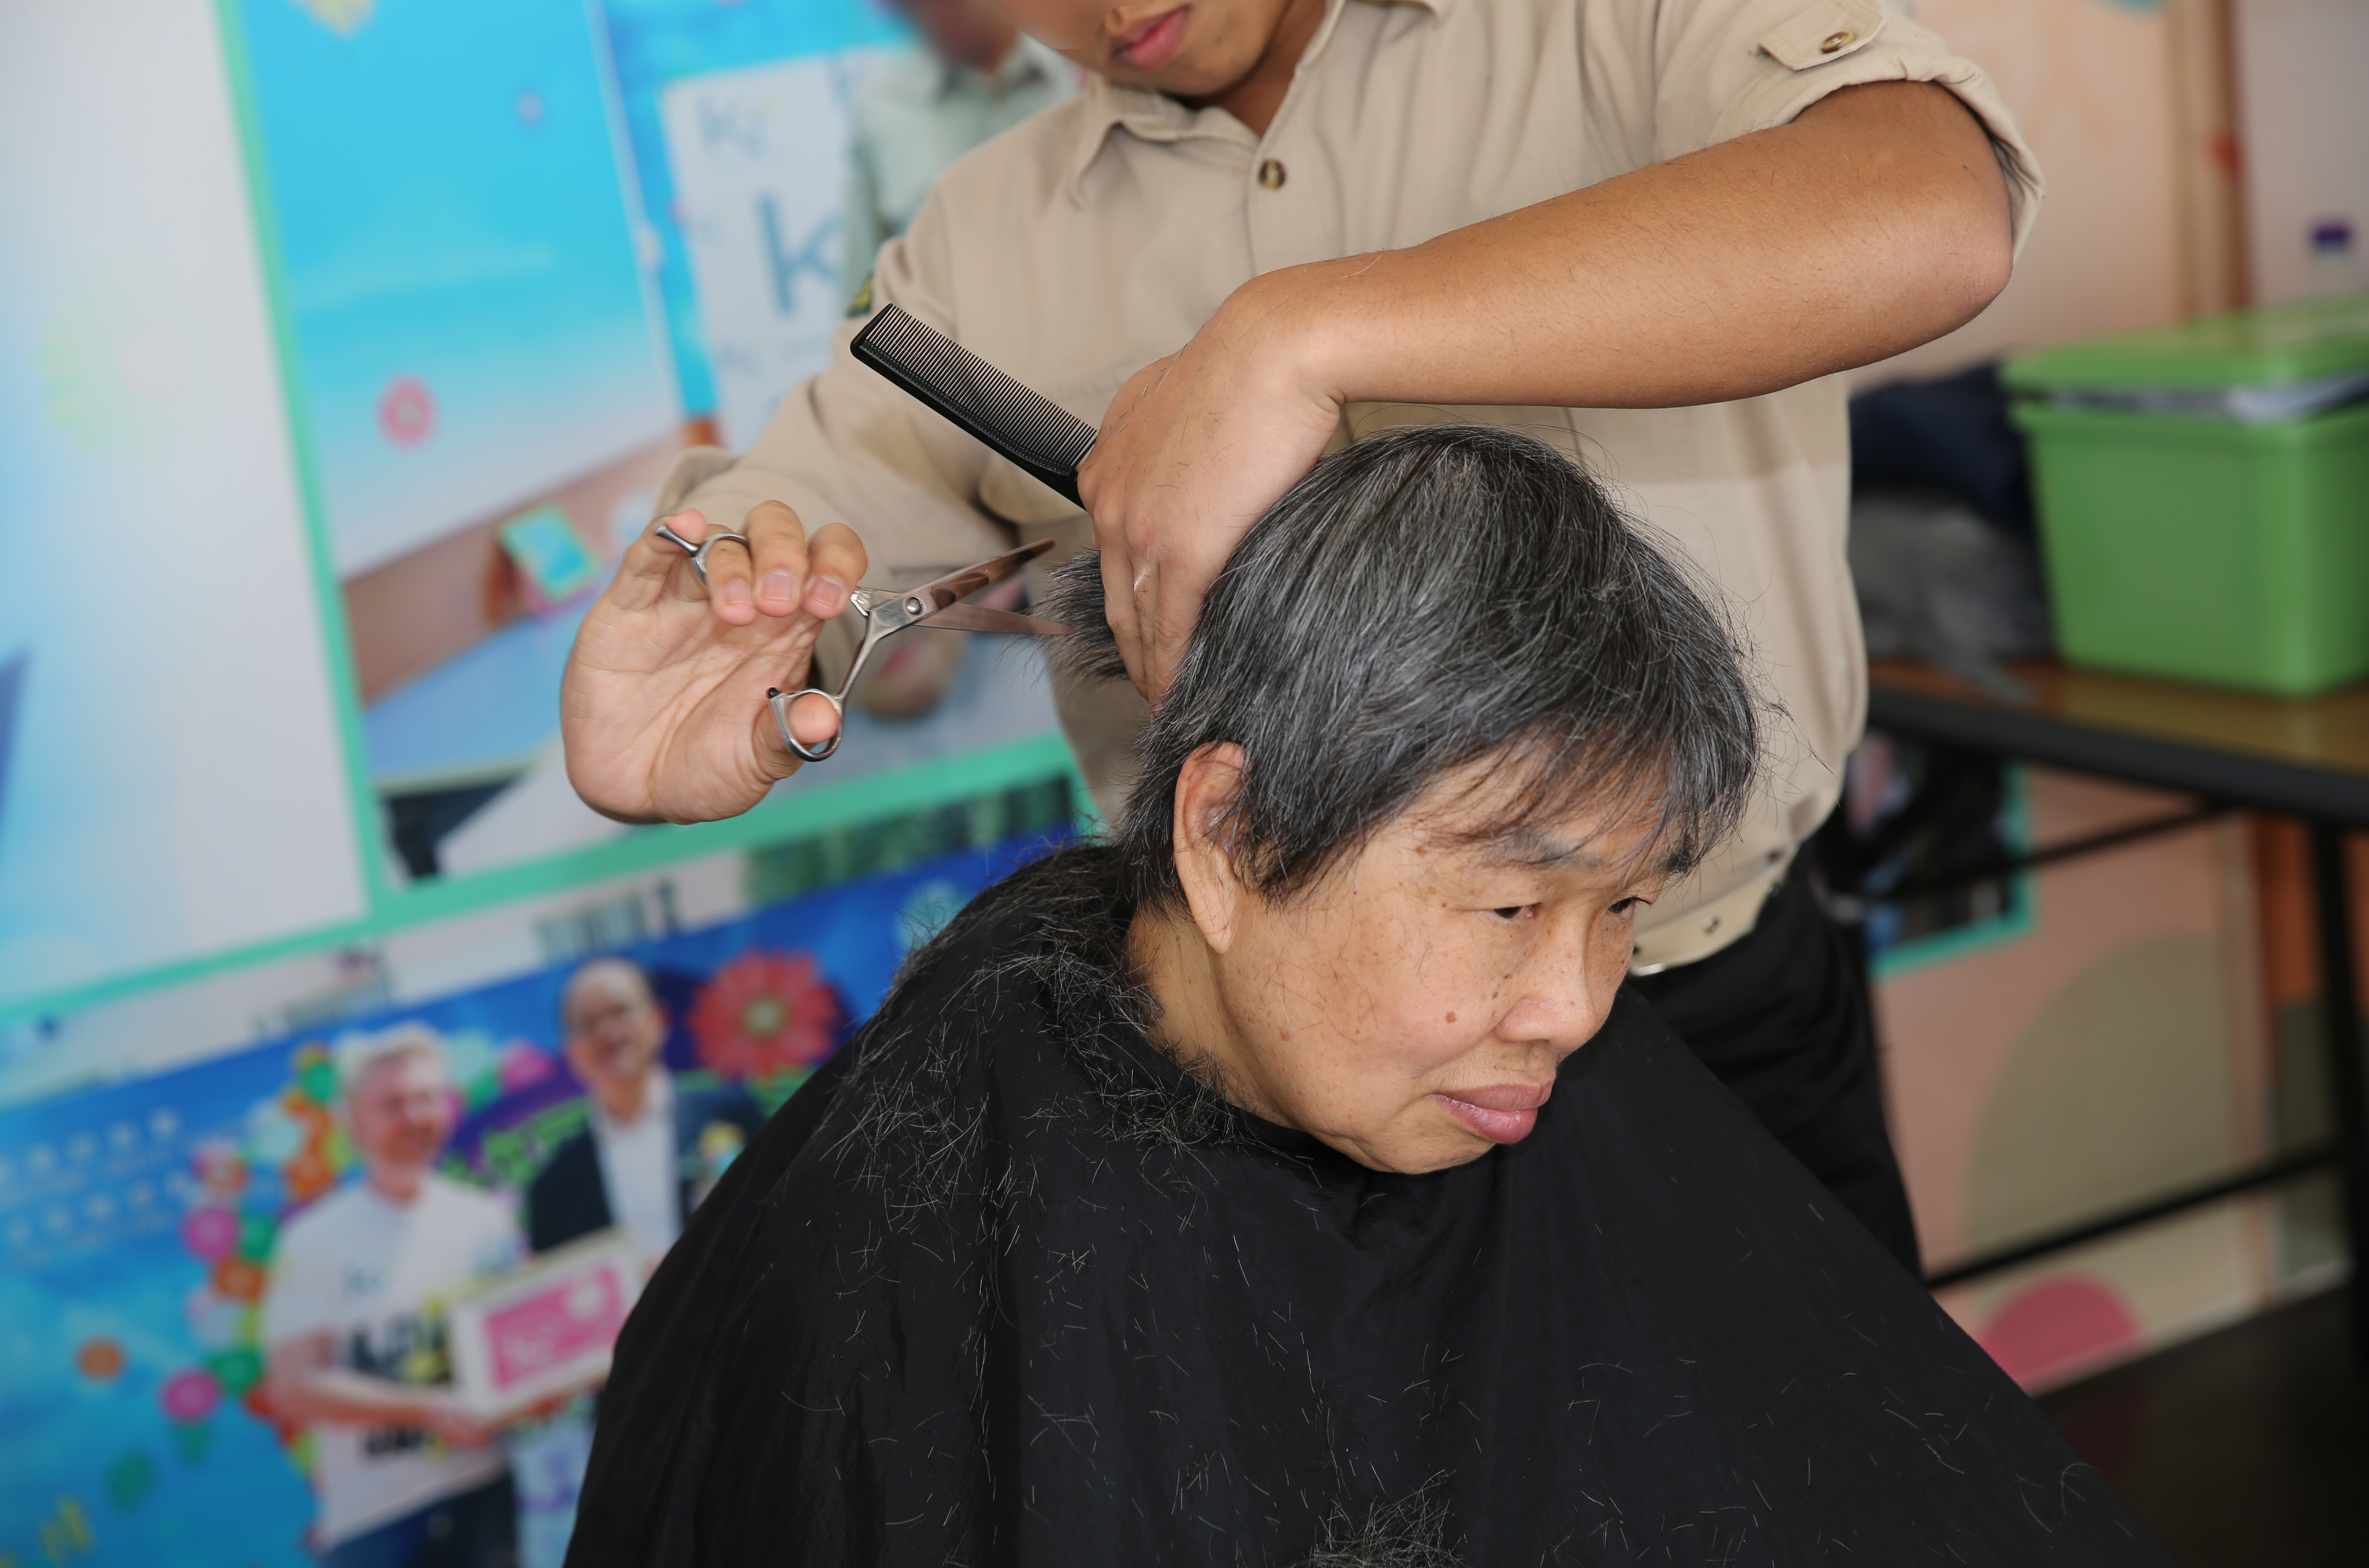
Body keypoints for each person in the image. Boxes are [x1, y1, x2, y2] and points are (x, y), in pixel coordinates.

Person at [560, 0, 2051, 1272]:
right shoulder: (985, 247)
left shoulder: (1608, 19)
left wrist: (1300, 334)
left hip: (1709, 1012)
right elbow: (799, 513)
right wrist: (719, 613)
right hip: (1278, 1108)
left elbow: (1925, 205)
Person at [562, 428, 2166, 1565]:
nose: (1571, 1003)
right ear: (1225, 832)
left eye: (1623, 908)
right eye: (1506, 902)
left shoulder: (1557, 1087)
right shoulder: (925, 1217)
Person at [261, 1025, 521, 1568]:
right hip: (376, 1522)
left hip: (488, 1496)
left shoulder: (488, 1221)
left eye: (426, 1098)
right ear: (355, 1124)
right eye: (393, 1105)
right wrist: (426, 1408)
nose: (415, 1117)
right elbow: (295, 1387)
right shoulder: (312, 1240)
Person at [841, 0, 1069, 312]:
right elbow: (864, 283)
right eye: (906, 3)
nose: (931, 17)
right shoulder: (882, 105)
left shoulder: (1080, 69)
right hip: (961, 354)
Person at [525, 958, 767, 1261]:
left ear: (657, 1019)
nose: (607, 1032)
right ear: (570, 1050)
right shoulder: (554, 1188)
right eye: (587, 1023)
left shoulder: (733, 1116)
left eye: (620, 1011)